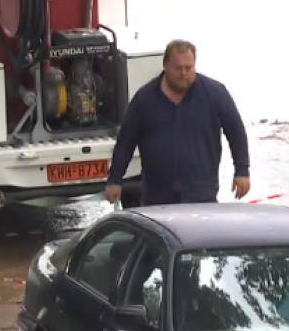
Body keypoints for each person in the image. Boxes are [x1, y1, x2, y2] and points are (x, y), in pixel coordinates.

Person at [105, 40, 251, 206]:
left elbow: (236, 131)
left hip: (201, 193)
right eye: (178, 68)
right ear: (166, 65)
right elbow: (126, 140)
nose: (184, 73)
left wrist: (242, 171)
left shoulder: (214, 93)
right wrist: (115, 179)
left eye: (189, 68)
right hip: (156, 196)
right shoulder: (145, 99)